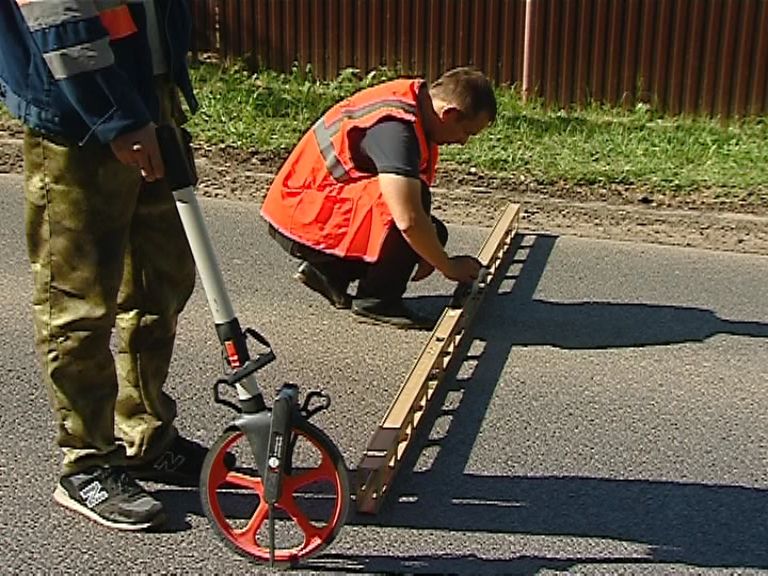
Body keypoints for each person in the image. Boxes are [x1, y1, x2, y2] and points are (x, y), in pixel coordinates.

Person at [0, 1, 207, 531]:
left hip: (148, 94)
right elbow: (56, 14)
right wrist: (114, 114)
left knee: (162, 279)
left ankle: (145, 434)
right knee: (78, 299)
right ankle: (86, 462)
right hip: (80, 113)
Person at [261, 67, 496, 330]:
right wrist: (448, 266)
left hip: (308, 207)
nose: (463, 142)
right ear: (449, 114)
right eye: (466, 132)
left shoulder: (415, 104)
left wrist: (432, 250)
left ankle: (329, 273)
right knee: (413, 211)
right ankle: (377, 302)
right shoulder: (397, 129)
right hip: (301, 216)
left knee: (432, 232)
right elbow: (408, 219)